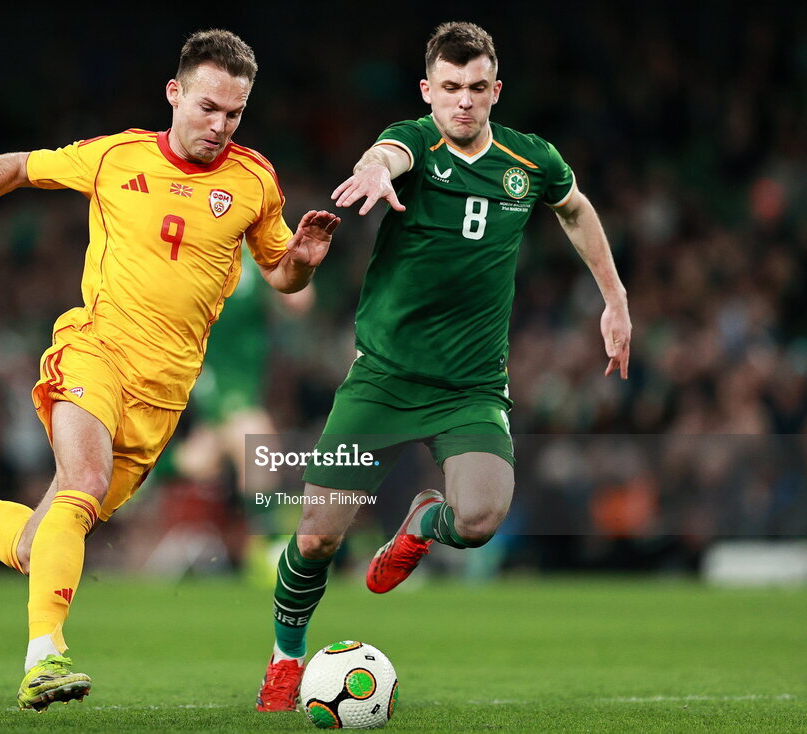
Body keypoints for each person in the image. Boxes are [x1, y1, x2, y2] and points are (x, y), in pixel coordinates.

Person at [0, 29, 339, 712]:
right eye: (208, 107)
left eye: (234, 113)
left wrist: (301, 259)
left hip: (165, 393)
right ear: (174, 93)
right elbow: (20, 165)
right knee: (84, 483)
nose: (219, 125)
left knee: (46, 543)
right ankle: (45, 660)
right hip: (94, 350)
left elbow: (280, 276)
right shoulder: (116, 155)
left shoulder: (254, 180)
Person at [255, 21, 631, 711]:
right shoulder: (416, 143)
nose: (463, 102)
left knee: (482, 517)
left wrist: (615, 299)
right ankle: (285, 658)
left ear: (495, 90)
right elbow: (388, 153)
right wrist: (373, 168)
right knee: (314, 537)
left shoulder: (529, 160)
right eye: (449, 88)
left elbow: (574, 210)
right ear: (428, 90)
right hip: (382, 378)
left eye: (476, 88)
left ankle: (425, 521)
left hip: (471, 386)